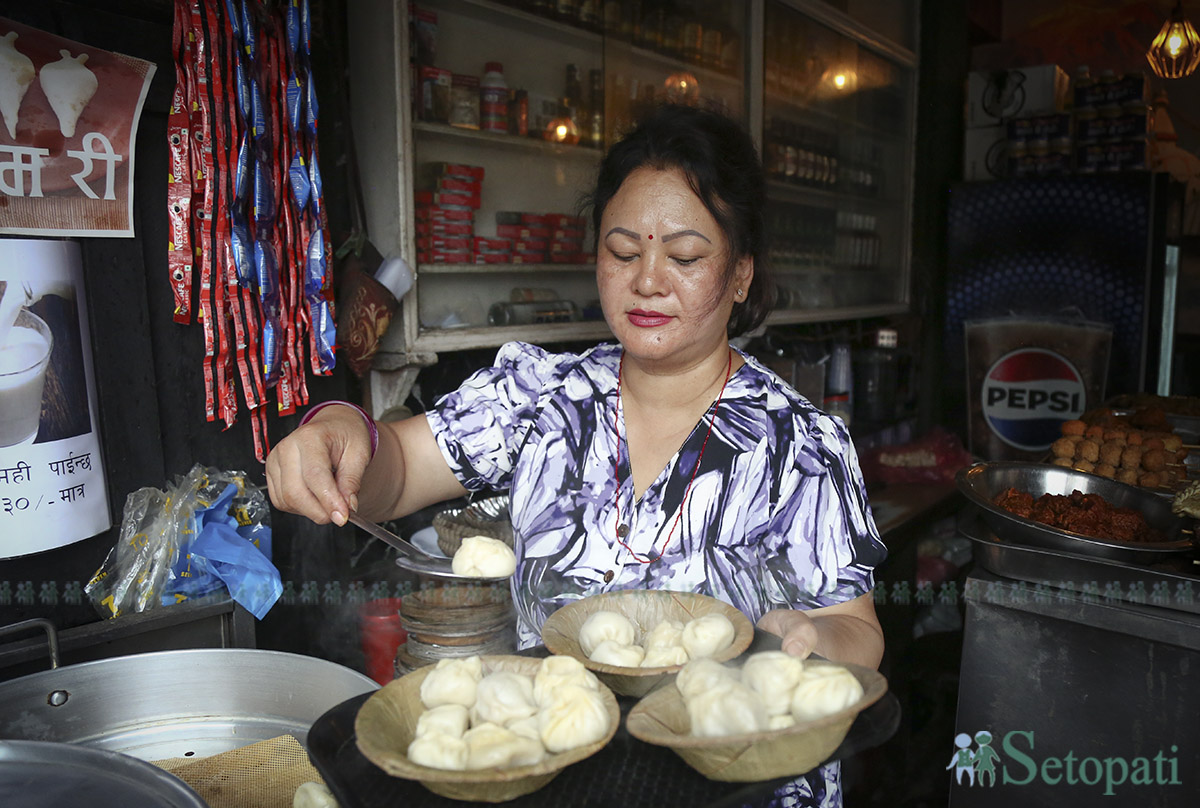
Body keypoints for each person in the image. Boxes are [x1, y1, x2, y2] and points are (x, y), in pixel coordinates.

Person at [267, 104, 887, 807]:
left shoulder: (800, 444)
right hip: (565, 786)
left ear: (741, 273)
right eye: (623, 252)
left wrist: (814, 635)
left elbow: (858, 633)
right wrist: (341, 429)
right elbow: (399, 470)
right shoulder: (539, 397)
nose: (648, 279)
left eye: (684, 257)